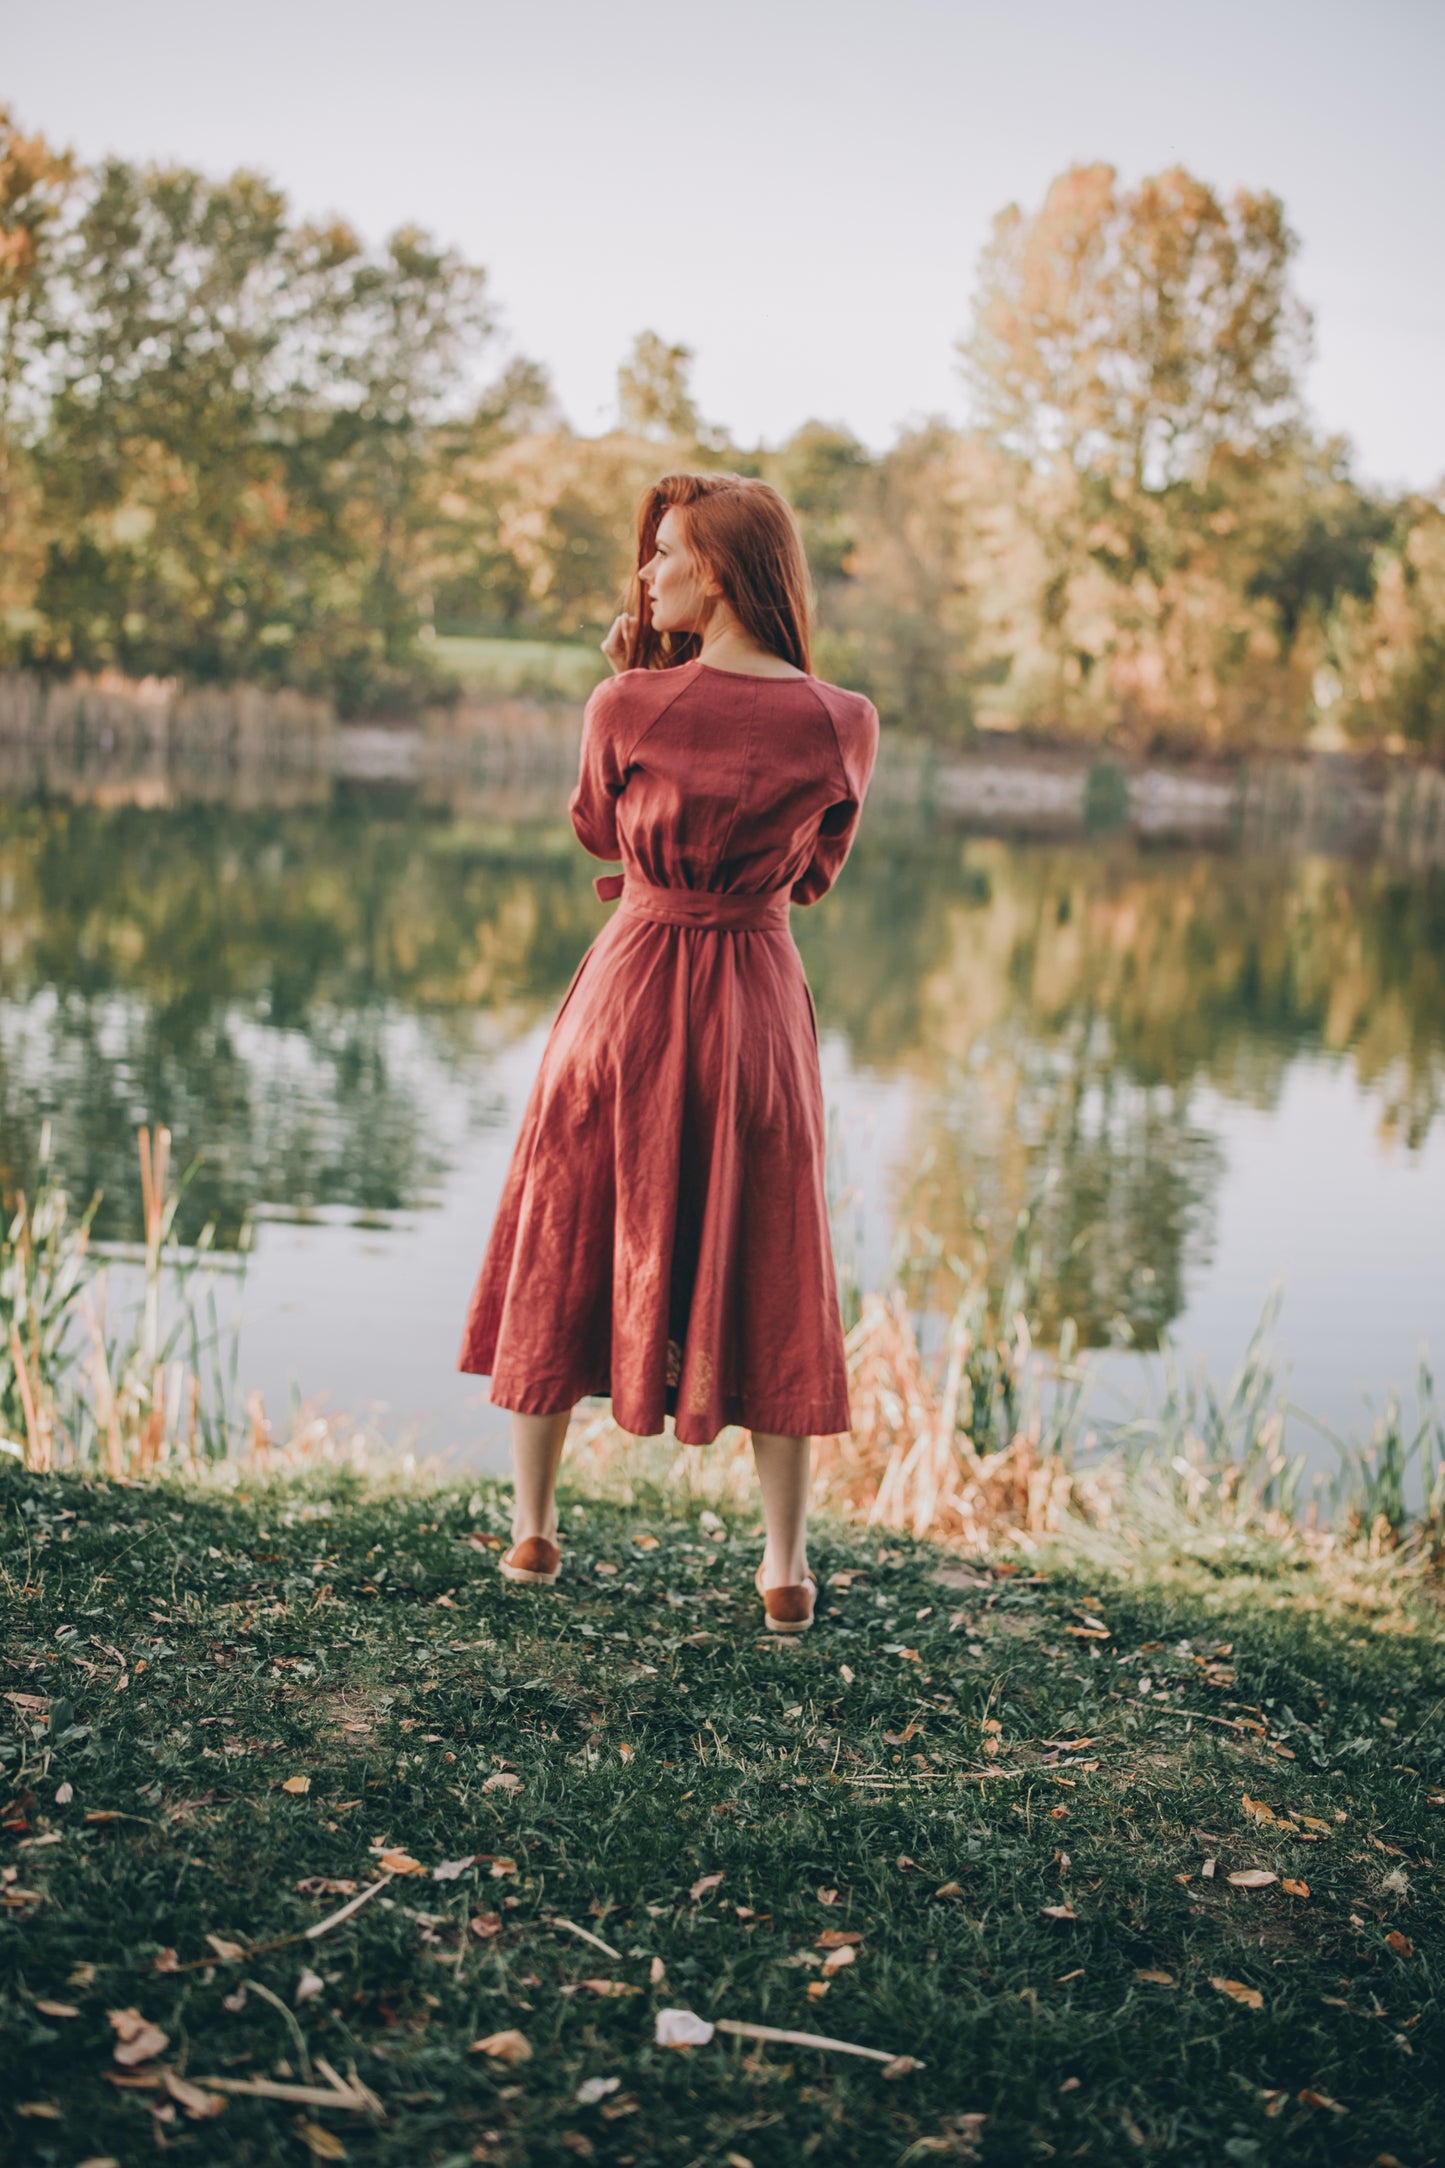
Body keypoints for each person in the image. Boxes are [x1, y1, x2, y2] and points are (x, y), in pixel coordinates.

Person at [458, 471, 878, 1634]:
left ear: (721, 571)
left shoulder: (624, 706)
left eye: (664, 554)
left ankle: (535, 1531)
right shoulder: (845, 720)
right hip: (755, 1002)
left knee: (566, 1225)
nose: (645, 575)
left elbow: (596, 829)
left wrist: (626, 683)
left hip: (629, 991)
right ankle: (783, 1568)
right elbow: (814, 874)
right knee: (776, 1248)